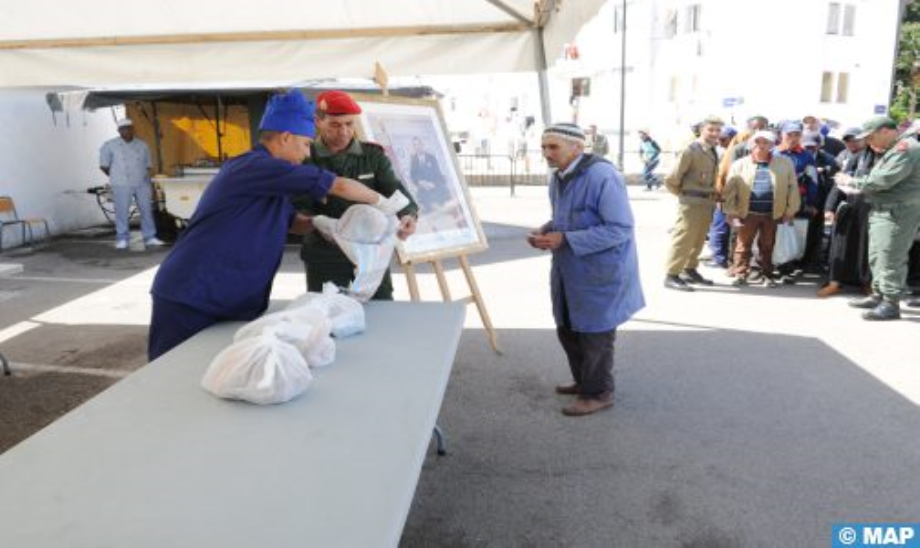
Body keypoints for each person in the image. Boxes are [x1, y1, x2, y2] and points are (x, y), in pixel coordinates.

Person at [148, 90, 393, 360]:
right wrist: (385, 205)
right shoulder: (254, 166)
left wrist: (325, 224)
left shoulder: (272, 178)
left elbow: (293, 222)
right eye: (305, 144)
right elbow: (339, 185)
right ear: (286, 137)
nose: (306, 153)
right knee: (169, 372)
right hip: (192, 293)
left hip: (227, 295)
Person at [527, 123, 644, 416]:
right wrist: (548, 228)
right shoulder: (558, 177)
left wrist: (565, 238)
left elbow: (620, 228)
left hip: (599, 271)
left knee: (595, 334)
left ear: (578, 148)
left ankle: (599, 392)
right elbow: (567, 217)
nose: (546, 153)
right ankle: (584, 381)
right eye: (544, 147)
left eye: (553, 147)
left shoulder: (602, 175)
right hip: (569, 267)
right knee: (567, 326)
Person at [294, 90, 419, 300]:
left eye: (349, 124)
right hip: (324, 254)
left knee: (381, 312)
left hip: (371, 254)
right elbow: (297, 204)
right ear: (318, 121)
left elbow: (394, 190)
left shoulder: (372, 156)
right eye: (335, 125)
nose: (344, 132)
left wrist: (408, 215)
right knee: (327, 316)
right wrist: (315, 222)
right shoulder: (305, 158)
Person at [835, 116, 920, 320]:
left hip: (897, 211)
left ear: (885, 131)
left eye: (871, 136)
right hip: (884, 209)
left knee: (891, 256)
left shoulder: (906, 148)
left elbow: (883, 180)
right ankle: (879, 293)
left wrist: (852, 181)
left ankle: (891, 303)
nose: (868, 142)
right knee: (876, 254)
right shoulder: (895, 148)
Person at [722, 131, 800, 287]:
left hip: (772, 213)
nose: (761, 146)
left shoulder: (784, 163)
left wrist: (790, 211)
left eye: (766, 143)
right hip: (747, 213)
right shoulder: (740, 164)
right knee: (743, 246)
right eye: (758, 142)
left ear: (772, 145)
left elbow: (793, 188)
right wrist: (731, 212)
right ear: (752, 144)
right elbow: (730, 191)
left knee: (767, 246)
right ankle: (740, 274)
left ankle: (767, 275)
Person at [663, 116, 724, 291]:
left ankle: (689, 269)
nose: (714, 133)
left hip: (706, 201)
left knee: (698, 238)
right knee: (684, 237)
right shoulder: (690, 150)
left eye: (717, 130)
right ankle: (672, 274)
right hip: (691, 201)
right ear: (701, 130)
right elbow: (671, 179)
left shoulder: (711, 150)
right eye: (710, 129)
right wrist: (684, 196)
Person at [99, 118, 165, 250]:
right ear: (119, 131)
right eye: (123, 128)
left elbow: (147, 166)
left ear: (133, 129)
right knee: (122, 211)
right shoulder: (109, 145)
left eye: (129, 128)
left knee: (146, 210)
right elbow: (104, 166)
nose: (127, 131)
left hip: (141, 182)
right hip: (121, 183)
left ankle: (150, 237)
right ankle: (122, 239)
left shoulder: (142, 145)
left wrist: (141, 177)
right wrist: (117, 176)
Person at [408, 136, 452, 211]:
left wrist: (433, 184)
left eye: (419, 144)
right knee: (425, 208)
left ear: (422, 145)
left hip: (435, 186)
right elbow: (413, 176)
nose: (417, 147)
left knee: (445, 205)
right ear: (414, 147)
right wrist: (420, 182)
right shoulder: (413, 160)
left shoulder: (431, 157)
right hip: (423, 189)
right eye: (415, 145)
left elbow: (437, 173)